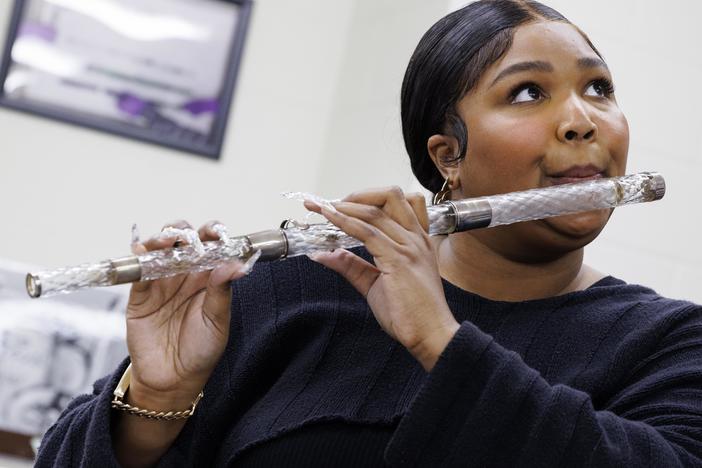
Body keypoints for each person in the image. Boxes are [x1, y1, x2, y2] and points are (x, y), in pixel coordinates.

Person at [36, 1, 702, 466]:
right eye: (528, 92)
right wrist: (158, 399)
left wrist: (441, 341)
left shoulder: (668, 344)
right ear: (448, 157)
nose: (583, 119)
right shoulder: (284, 291)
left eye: (600, 87)